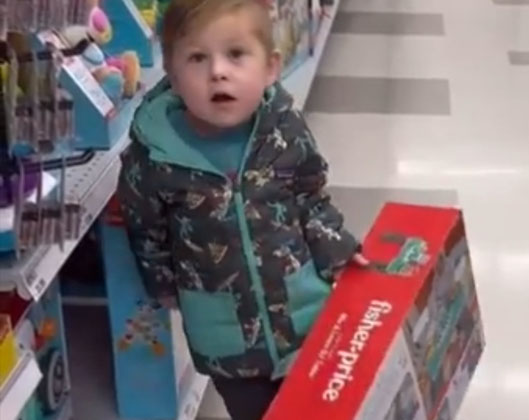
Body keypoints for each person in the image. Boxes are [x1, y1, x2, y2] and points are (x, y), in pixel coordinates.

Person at [117, 0, 364, 418]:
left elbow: (310, 196)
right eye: (197, 58)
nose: (218, 71)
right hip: (226, 342)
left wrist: (338, 249)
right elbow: (146, 230)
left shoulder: (284, 130)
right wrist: (165, 286)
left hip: (305, 320)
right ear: (172, 74)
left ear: (270, 68)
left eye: (235, 54)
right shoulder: (154, 155)